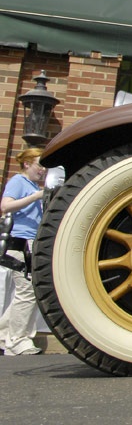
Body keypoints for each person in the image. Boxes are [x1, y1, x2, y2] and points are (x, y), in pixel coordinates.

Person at [0, 147, 47, 355]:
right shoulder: (19, 182)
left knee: (24, 291)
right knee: (27, 291)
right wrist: (36, 196)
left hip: (28, 242)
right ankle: (17, 340)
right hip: (20, 242)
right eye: (39, 165)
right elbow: (6, 206)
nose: (43, 170)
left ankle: (3, 336)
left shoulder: (30, 184)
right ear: (27, 164)